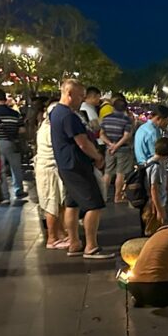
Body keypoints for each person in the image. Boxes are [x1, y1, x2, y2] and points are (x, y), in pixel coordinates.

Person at [49, 79, 113, 260]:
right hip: (77, 165)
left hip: (66, 165)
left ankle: (74, 242)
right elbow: (83, 143)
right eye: (79, 96)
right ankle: (91, 246)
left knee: (72, 204)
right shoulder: (68, 116)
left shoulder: (56, 113)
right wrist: (98, 157)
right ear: (69, 94)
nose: (81, 100)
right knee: (94, 204)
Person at [34, 98, 68, 249]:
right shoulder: (50, 129)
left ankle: (60, 234)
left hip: (52, 169)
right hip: (49, 170)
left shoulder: (47, 126)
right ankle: (52, 238)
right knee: (51, 204)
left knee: (58, 203)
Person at [0, 88, 25, 205]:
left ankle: (5, 195)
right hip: (12, 142)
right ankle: (19, 190)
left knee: (0, 170)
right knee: (16, 167)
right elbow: (22, 130)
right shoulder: (15, 113)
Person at [100, 96, 134, 202]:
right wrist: (117, 146)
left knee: (107, 172)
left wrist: (110, 144)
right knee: (120, 173)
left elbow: (101, 134)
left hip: (109, 149)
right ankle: (117, 197)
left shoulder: (106, 118)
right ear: (125, 108)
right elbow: (126, 136)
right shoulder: (127, 120)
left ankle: (103, 196)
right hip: (123, 150)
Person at [142, 137, 168, 236]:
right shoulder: (156, 166)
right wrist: (159, 210)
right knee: (161, 229)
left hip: (157, 201)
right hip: (157, 203)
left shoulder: (149, 162)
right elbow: (154, 188)